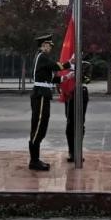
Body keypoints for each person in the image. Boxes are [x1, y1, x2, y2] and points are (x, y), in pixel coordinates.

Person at [29, 34, 73, 171]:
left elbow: (51, 78)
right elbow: (55, 66)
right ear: (43, 45)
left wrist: (67, 77)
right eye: (48, 45)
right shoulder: (42, 56)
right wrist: (70, 62)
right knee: (39, 126)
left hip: (43, 93)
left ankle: (35, 159)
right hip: (41, 94)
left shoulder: (42, 58)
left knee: (41, 125)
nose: (50, 48)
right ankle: (34, 161)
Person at [64, 60, 90, 163]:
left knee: (79, 123)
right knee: (70, 123)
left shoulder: (86, 64)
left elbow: (87, 79)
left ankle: (78, 151)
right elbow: (60, 74)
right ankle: (71, 151)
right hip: (69, 94)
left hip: (81, 93)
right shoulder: (67, 63)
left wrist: (75, 69)